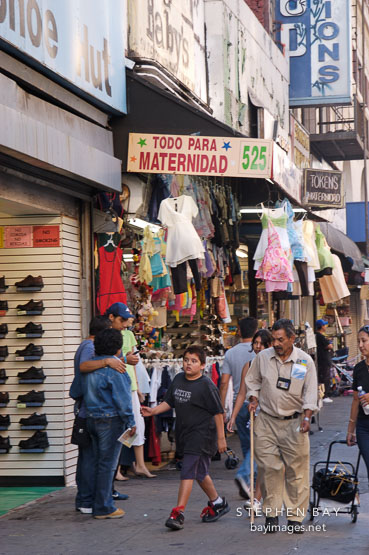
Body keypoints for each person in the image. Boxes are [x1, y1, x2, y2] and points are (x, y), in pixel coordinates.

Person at [142, 345, 229, 531]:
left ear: (203, 365)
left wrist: (221, 439)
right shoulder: (179, 378)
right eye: (186, 360)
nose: (189, 364)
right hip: (185, 433)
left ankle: (178, 512)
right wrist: (153, 411)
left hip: (202, 435)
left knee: (188, 471)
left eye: (194, 361)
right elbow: (169, 401)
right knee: (199, 473)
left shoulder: (207, 385)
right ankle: (218, 502)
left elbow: (218, 413)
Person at [246, 319, 317, 533]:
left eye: (280, 339)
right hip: (266, 421)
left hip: (295, 422)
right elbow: (252, 381)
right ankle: (271, 514)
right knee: (269, 469)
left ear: (292, 339)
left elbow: (310, 392)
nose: (276, 343)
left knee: (297, 472)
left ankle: (295, 518)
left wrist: (307, 416)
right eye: (274, 339)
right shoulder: (262, 358)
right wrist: (253, 397)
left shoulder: (304, 362)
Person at [70, 315, 126, 514]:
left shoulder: (100, 358)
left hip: (89, 415)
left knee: (91, 458)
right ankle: (100, 504)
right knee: (102, 462)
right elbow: (123, 399)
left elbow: (74, 390)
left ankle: (87, 500)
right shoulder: (90, 349)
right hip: (102, 417)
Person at [82, 328, 136, 519]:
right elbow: (123, 401)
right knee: (108, 465)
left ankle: (94, 502)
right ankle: (104, 507)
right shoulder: (116, 370)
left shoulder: (91, 368)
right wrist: (131, 422)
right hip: (110, 420)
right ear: (118, 348)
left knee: (98, 463)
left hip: (91, 418)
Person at [106, 304, 156, 478]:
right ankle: (117, 468)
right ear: (112, 317)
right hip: (116, 384)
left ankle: (140, 464)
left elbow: (134, 363)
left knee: (137, 425)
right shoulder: (107, 336)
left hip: (130, 385)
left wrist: (138, 387)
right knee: (120, 426)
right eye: (123, 320)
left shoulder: (128, 334)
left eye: (127, 320)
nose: (126, 324)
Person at [227, 329, 273, 513]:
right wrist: (233, 416)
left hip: (270, 414)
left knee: (259, 453)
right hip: (252, 414)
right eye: (255, 343)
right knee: (255, 451)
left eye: (261, 343)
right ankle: (251, 488)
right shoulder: (249, 364)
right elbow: (242, 394)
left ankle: (253, 488)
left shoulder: (274, 364)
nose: (258, 346)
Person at [219, 317, 258, 499]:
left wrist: (222, 408)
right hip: (256, 404)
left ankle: (249, 481)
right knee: (258, 446)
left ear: (239, 331)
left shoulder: (231, 353)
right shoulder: (261, 351)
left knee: (247, 445)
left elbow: (224, 382)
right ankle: (246, 476)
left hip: (239, 404)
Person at [347, 325, 369, 484]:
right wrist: (350, 430)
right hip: (364, 426)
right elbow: (355, 400)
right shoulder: (359, 369)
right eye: (359, 341)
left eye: (364, 341)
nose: (360, 345)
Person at [315, 319, 333, 403]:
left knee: (322, 377)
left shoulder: (317, 336)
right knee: (326, 377)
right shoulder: (320, 336)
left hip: (321, 360)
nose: (325, 326)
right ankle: (325, 396)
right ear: (321, 326)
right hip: (324, 360)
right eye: (324, 325)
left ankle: (322, 394)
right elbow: (330, 346)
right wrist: (329, 342)